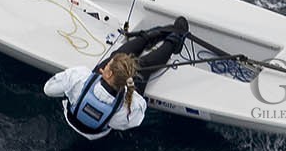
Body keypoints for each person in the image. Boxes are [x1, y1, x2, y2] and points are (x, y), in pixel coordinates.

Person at [43, 17, 189, 139]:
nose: (103, 67)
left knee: (119, 56)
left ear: (108, 74)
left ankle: (152, 37)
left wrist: (70, 90)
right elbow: (139, 114)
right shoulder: (128, 107)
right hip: (104, 124)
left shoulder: (79, 77)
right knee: (141, 67)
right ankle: (173, 40)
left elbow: (48, 89)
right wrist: (130, 86)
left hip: (77, 124)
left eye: (107, 66)